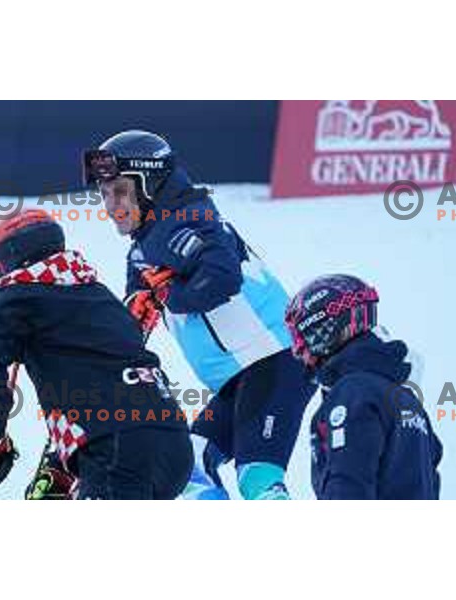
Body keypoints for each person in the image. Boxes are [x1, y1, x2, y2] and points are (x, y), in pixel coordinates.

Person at [82, 130, 316, 500]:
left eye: (121, 191)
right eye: (105, 193)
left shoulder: (187, 219)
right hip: (236, 380)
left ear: (151, 185)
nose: (111, 205)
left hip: (273, 363)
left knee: (256, 478)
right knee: (187, 469)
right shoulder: (144, 246)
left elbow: (222, 277)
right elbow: (130, 326)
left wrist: (168, 295)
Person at [0, 209, 192, 499]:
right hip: (172, 443)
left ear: (10, 258)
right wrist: (59, 464)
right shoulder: (98, 293)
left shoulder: (18, 295)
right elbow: (96, 380)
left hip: (115, 449)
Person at [284, 274, 443, 500]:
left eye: (304, 339)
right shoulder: (408, 402)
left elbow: (347, 486)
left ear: (326, 331)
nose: (300, 352)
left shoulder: (353, 393)